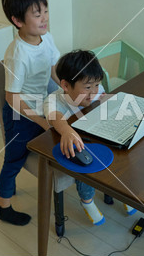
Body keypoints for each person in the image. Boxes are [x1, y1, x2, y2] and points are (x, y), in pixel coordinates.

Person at [0, 0, 60, 226]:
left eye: (45, 10)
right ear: (18, 21)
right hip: (19, 113)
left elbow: (53, 69)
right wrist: (41, 121)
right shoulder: (17, 54)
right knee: (14, 160)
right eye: (37, 14)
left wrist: (68, 88)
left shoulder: (47, 38)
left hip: (40, 105)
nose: (44, 18)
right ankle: (4, 206)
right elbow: (12, 97)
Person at [43, 50, 106, 225]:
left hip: (92, 134)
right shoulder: (53, 101)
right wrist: (67, 131)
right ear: (65, 85)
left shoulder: (96, 90)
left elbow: (101, 104)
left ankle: (120, 194)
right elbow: (55, 118)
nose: (93, 92)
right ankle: (87, 200)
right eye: (87, 87)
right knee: (84, 157)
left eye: (96, 85)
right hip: (65, 146)